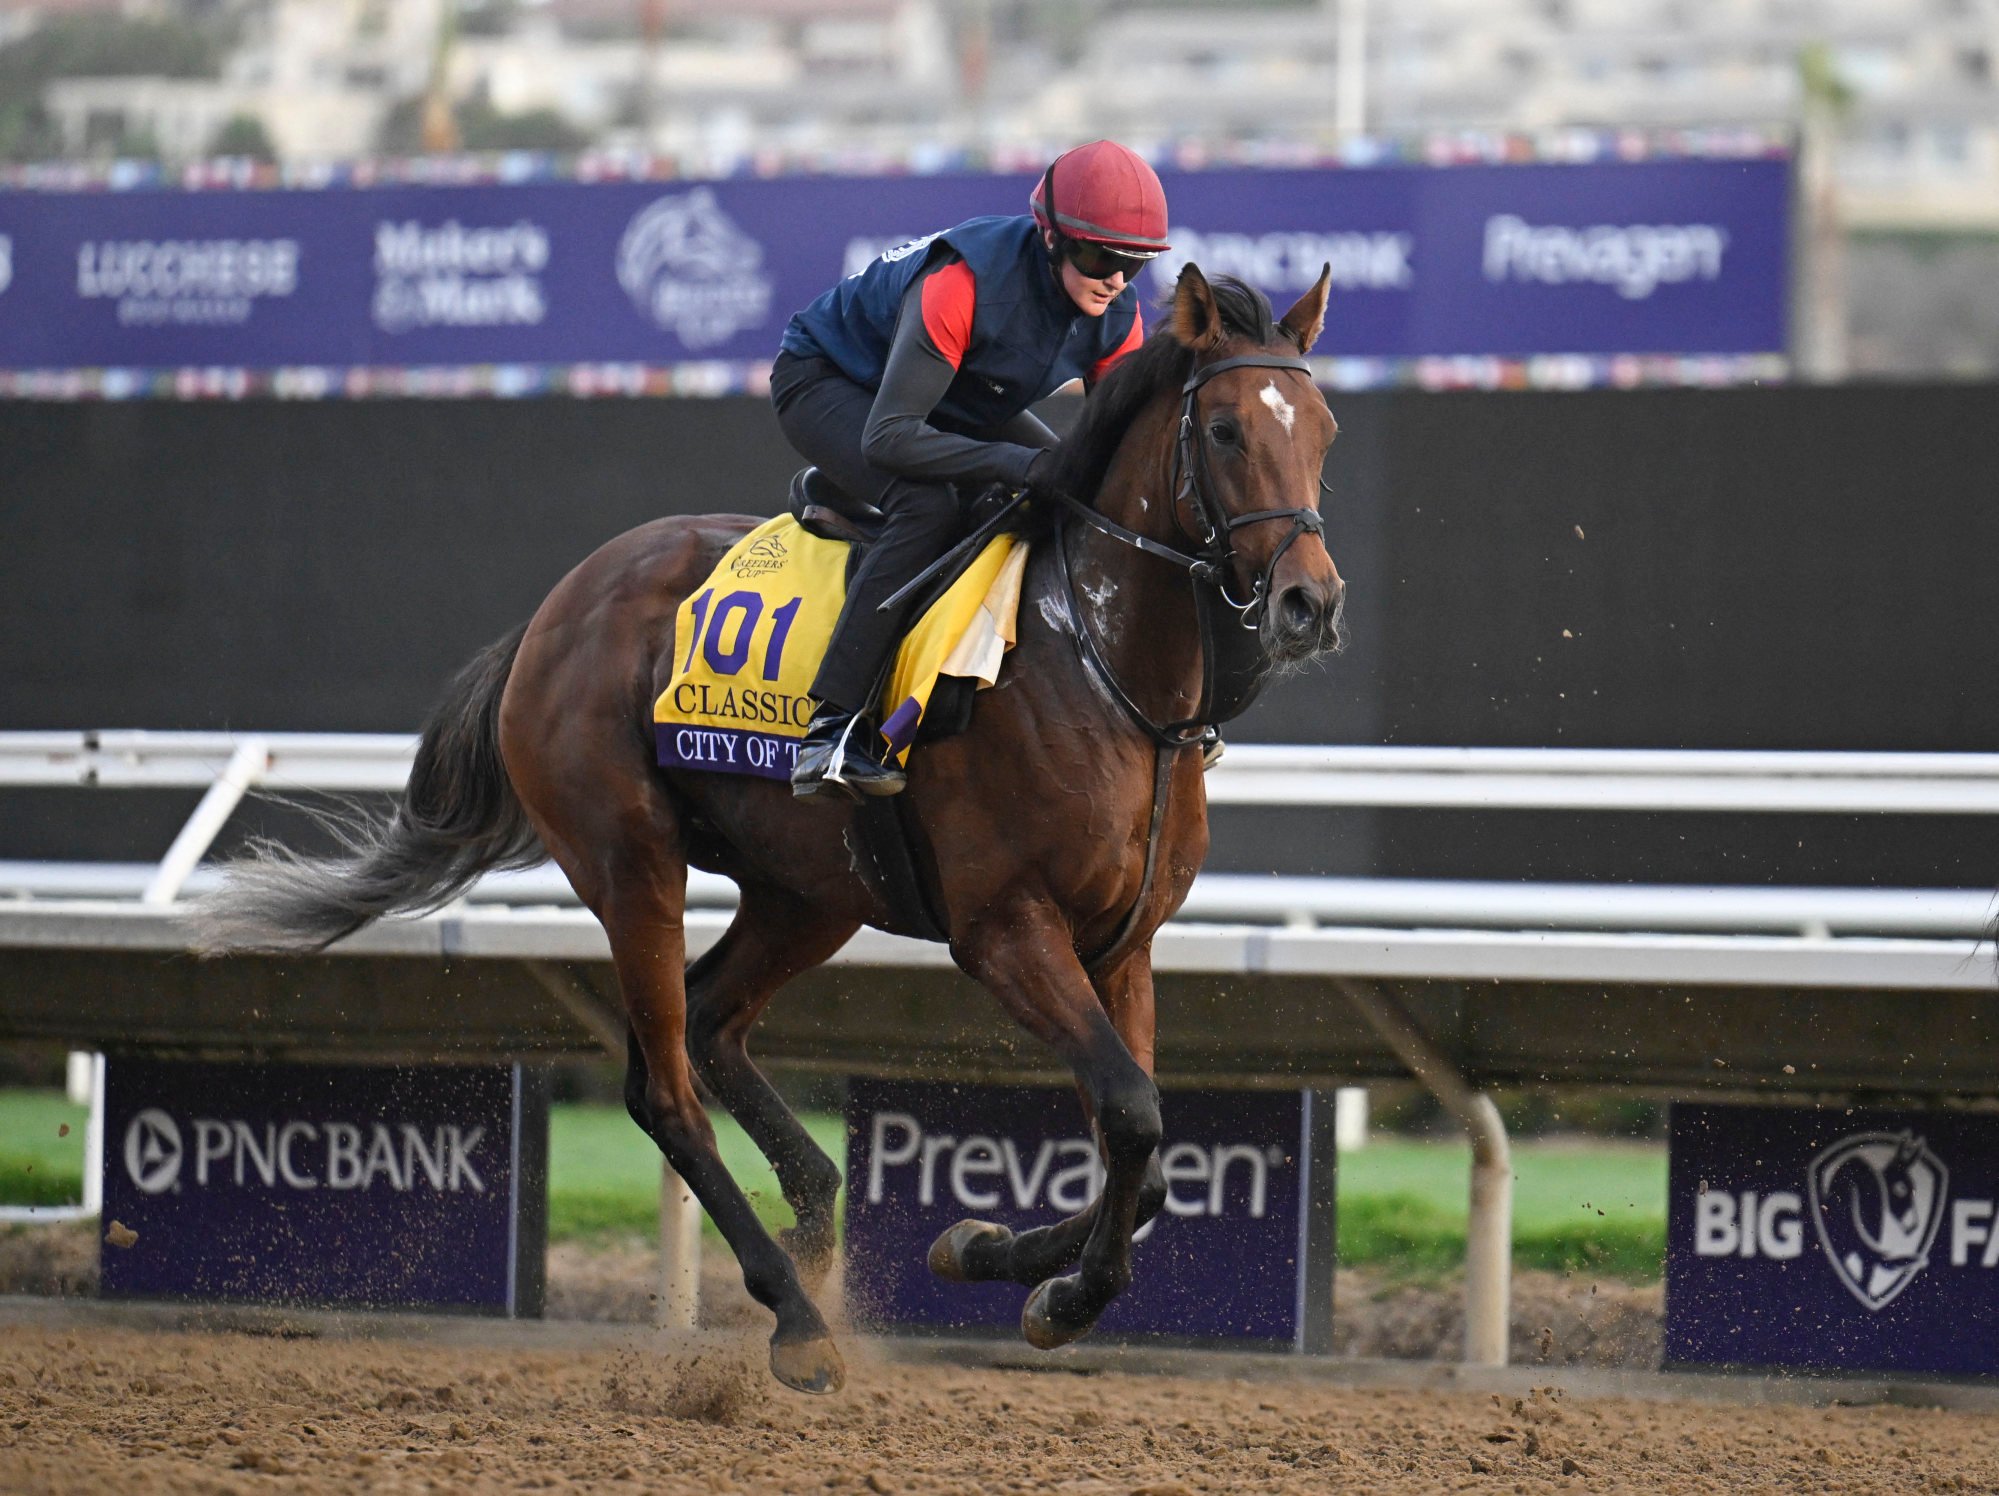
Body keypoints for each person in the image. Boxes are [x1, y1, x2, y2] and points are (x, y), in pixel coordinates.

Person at [770, 140, 1169, 799]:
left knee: (1066, 494)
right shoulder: (962, 285)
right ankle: (831, 728)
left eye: (1134, 264)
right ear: (1050, 238)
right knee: (929, 506)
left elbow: (1116, 458)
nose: (1114, 279)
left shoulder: (1116, 314)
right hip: (831, 383)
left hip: (953, 391)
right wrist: (1020, 462)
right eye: (1100, 257)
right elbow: (892, 438)